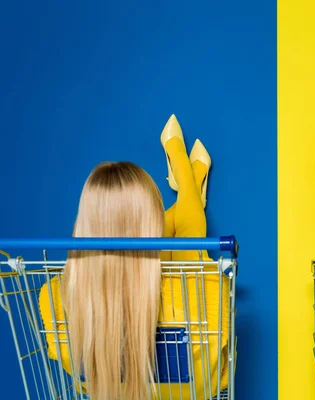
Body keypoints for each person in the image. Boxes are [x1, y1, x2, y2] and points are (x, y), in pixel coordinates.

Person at [38, 115, 229, 399]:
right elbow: (217, 363)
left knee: (181, 244)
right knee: (191, 243)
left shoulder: (56, 297)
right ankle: (186, 178)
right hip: (194, 392)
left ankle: (188, 182)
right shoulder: (202, 288)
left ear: (82, 225)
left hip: (106, 392)